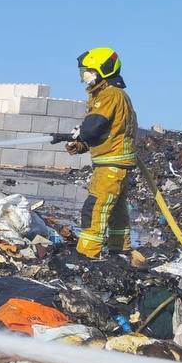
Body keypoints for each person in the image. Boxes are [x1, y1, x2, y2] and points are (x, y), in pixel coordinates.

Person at [60, 47, 138, 258]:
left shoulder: (110, 94)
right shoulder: (111, 95)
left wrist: (81, 133)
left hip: (110, 166)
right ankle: (119, 251)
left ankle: (86, 255)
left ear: (101, 70)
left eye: (88, 71)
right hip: (112, 163)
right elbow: (105, 133)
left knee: (94, 210)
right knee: (116, 213)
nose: (84, 77)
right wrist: (80, 144)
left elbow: (94, 126)